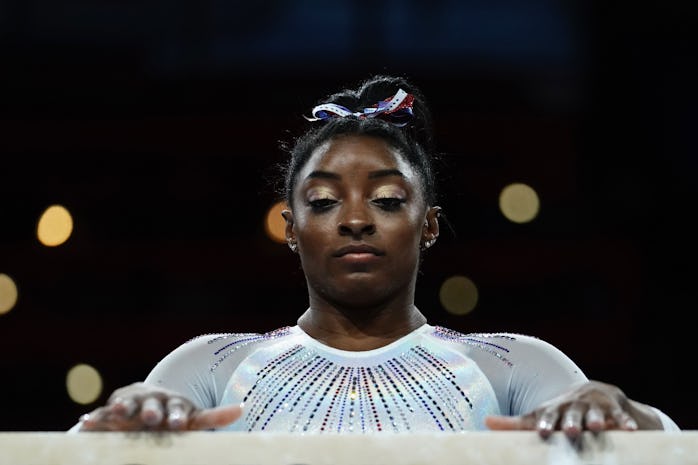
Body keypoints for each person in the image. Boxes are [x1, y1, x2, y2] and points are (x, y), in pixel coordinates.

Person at [70, 74, 680, 437]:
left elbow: (658, 448)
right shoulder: (209, 366)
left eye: (387, 201)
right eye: (324, 200)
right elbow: (64, 453)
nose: (356, 219)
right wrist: (125, 422)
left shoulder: (512, 367)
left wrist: (626, 414)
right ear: (291, 227)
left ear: (429, 226)